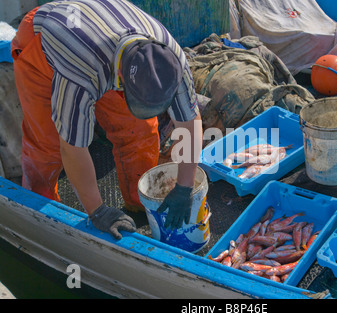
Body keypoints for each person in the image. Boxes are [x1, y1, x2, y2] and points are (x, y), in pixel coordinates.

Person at [11, 0, 202, 239]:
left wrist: (184, 187)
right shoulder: (82, 73)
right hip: (43, 43)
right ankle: (41, 216)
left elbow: (190, 122)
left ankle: (139, 201)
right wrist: (97, 211)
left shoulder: (172, 59)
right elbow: (72, 148)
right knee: (46, 144)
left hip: (105, 37)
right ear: (121, 77)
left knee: (139, 130)